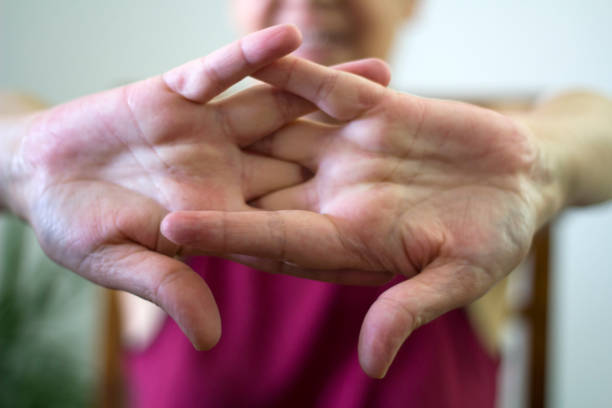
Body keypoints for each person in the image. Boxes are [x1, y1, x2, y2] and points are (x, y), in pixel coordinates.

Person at [1, 2, 610, 408]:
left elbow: (595, 122)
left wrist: (540, 163)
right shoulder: (142, 173)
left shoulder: (473, 172)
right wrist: (30, 155)